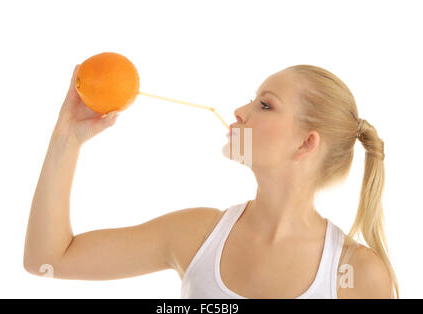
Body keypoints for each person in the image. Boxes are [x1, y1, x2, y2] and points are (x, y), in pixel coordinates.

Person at [23, 64, 399, 299]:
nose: (239, 111)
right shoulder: (196, 235)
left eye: (265, 105)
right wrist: (66, 138)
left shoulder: (357, 276)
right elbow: (48, 260)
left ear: (306, 143)